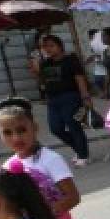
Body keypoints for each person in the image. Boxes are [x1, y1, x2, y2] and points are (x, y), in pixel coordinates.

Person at [31, 34, 91, 167]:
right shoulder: (45, 63)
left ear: (60, 46)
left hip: (70, 97)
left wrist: (85, 97)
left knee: (74, 126)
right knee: (55, 128)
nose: (48, 49)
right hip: (53, 100)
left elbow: (79, 79)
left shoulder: (70, 60)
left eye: (51, 46)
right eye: (45, 46)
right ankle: (79, 149)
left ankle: (83, 155)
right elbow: (42, 81)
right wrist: (36, 68)